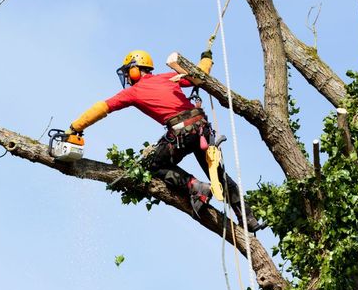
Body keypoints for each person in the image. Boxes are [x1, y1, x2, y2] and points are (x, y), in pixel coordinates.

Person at [68, 49, 263, 232]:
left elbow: (103, 107)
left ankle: (195, 186)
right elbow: (201, 74)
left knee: (153, 165)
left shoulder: (133, 92)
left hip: (182, 132)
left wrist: (76, 127)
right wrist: (207, 58)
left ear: (136, 70)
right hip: (201, 129)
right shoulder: (167, 77)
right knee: (218, 175)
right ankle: (248, 217)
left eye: (129, 72)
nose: (127, 77)